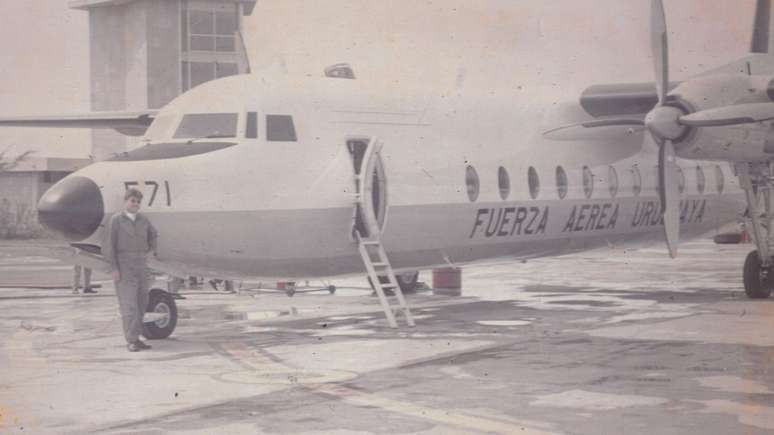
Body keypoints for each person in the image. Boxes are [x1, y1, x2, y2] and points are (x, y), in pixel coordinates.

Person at [104, 188, 158, 352]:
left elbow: (153, 234)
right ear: (125, 202)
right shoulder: (116, 220)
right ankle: (131, 340)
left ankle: (136, 336)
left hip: (141, 264)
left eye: (137, 202)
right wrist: (113, 267)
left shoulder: (143, 219)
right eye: (132, 201)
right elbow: (108, 245)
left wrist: (150, 251)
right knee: (129, 306)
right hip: (124, 265)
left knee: (142, 303)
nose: (135, 204)